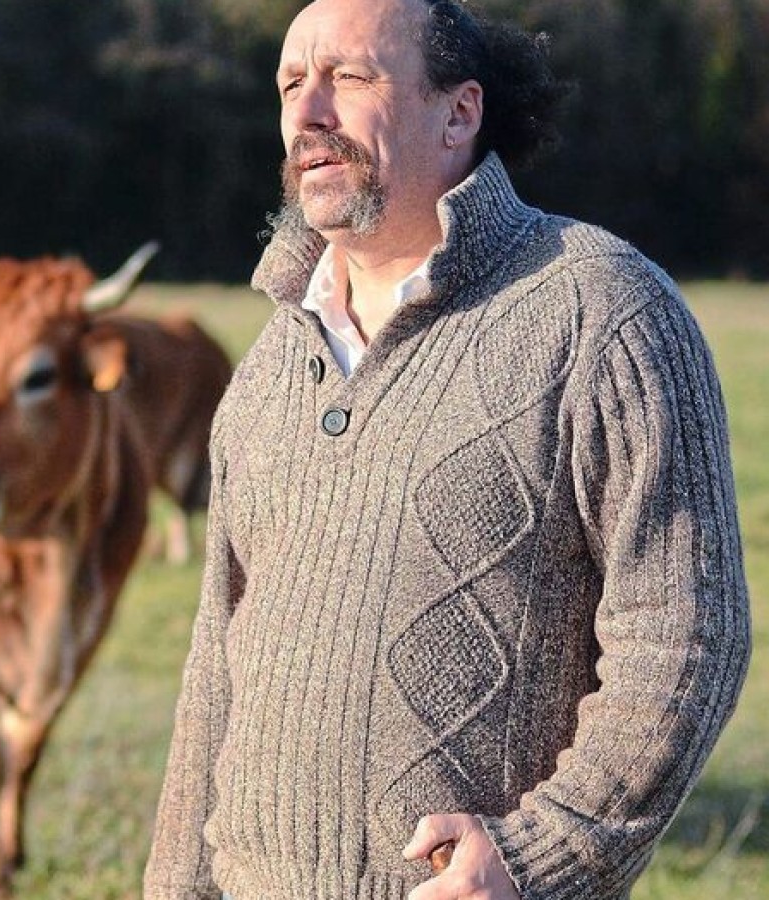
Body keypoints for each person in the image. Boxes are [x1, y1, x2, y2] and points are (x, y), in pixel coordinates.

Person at [143, 0, 751, 898]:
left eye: (349, 79)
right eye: (290, 84)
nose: (308, 114)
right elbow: (213, 676)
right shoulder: (273, 360)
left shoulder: (602, 312)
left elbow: (685, 634)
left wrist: (548, 851)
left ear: (459, 112)